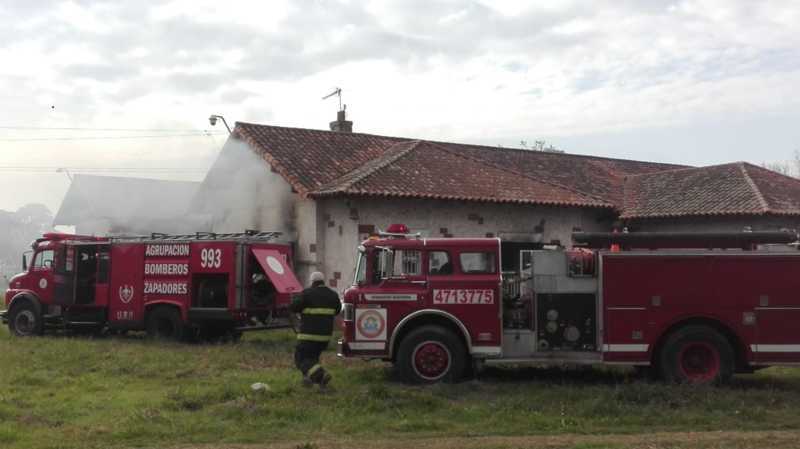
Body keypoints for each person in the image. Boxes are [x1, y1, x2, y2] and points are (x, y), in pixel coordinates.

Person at [290, 271, 342, 389]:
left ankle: (321, 376)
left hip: (308, 336)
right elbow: (338, 310)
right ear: (323, 281)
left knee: (300, 359)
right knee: (312, 359)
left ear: (312, 282)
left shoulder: (307, 294)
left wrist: (293, 299)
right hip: (325, 337)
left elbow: (294, 307)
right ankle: (308, 381)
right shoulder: (333, 295)